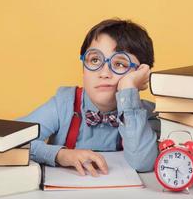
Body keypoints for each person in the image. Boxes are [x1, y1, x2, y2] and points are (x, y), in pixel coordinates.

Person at [18, 18, 160, 177]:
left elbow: (144, 163)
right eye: (94, 60)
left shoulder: (148, 115)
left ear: (141, 74)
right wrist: (61, 155)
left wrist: (128, 90)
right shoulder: (63, 104)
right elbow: (13, 141)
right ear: (83, 69)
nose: (104, 73)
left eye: (120, 64)